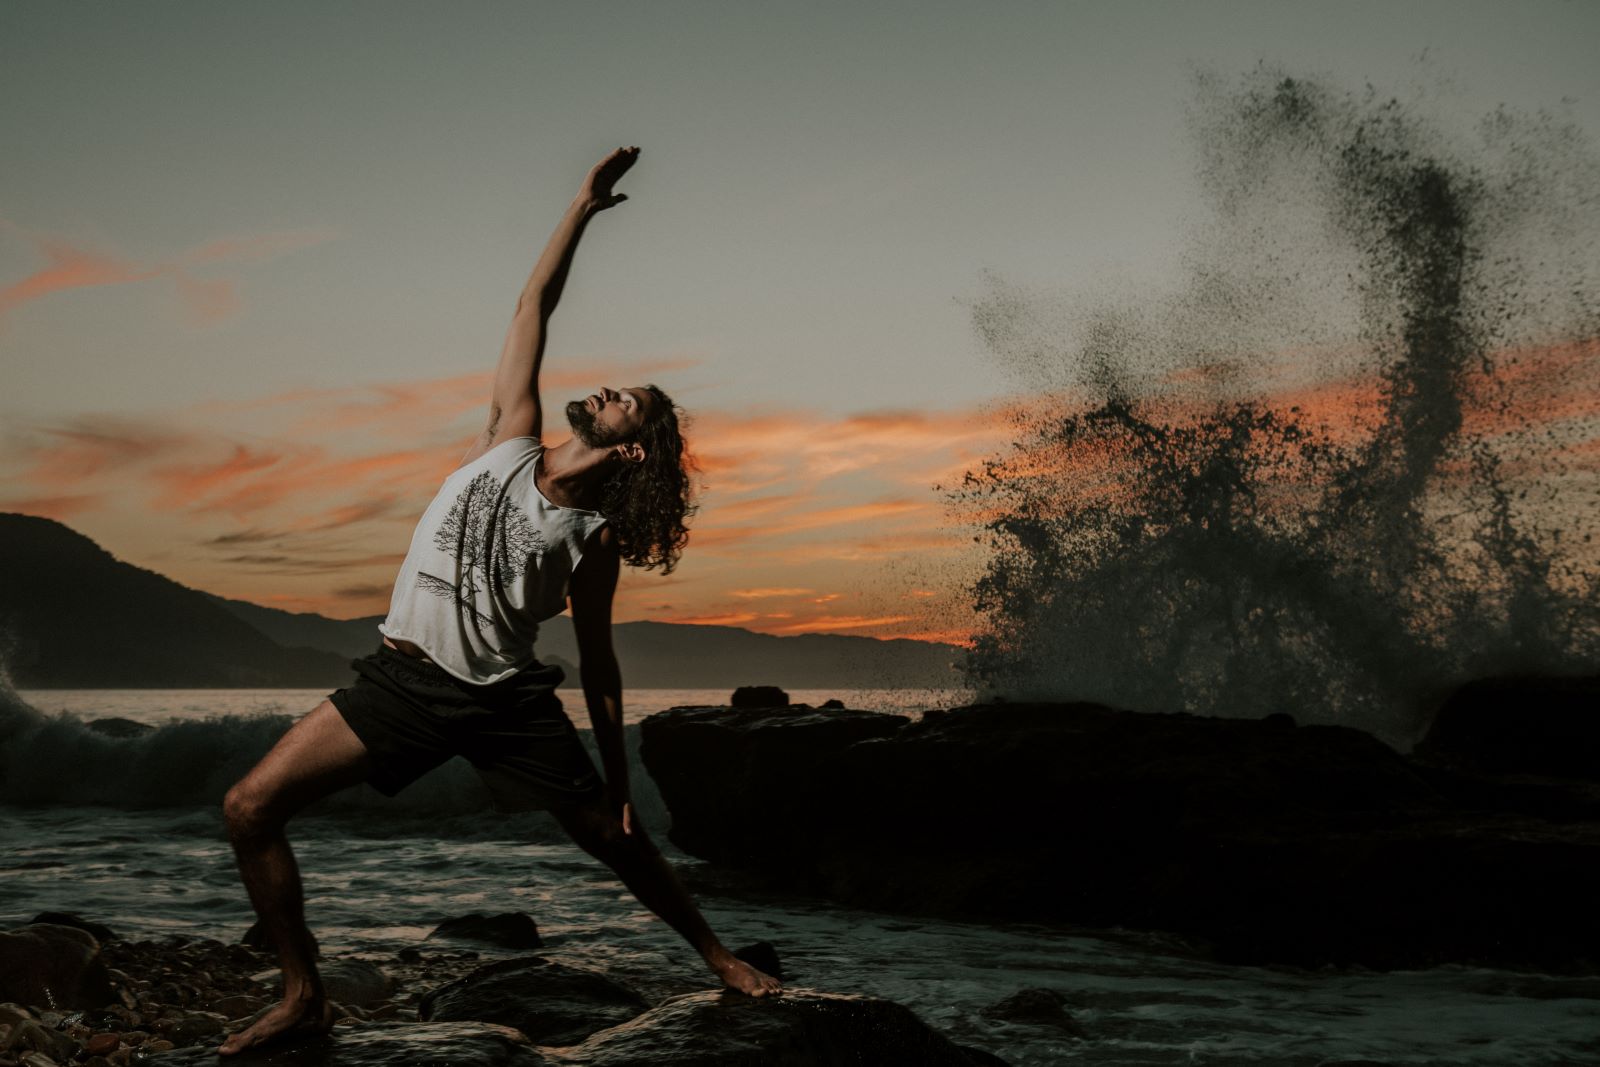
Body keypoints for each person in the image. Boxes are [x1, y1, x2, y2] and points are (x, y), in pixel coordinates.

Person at [217, 146, 783, 1057]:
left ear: (634, 445)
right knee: (249, 806)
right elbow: (532, 308)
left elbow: (598, 662)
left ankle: (716, 956)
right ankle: (303, 994)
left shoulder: (593, 539)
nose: (603, 389)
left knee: (612, 835)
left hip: (500, 700)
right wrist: (582, 207)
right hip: (399, 681)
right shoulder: (509, 438)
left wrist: (616, 772)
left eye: (624, 400)